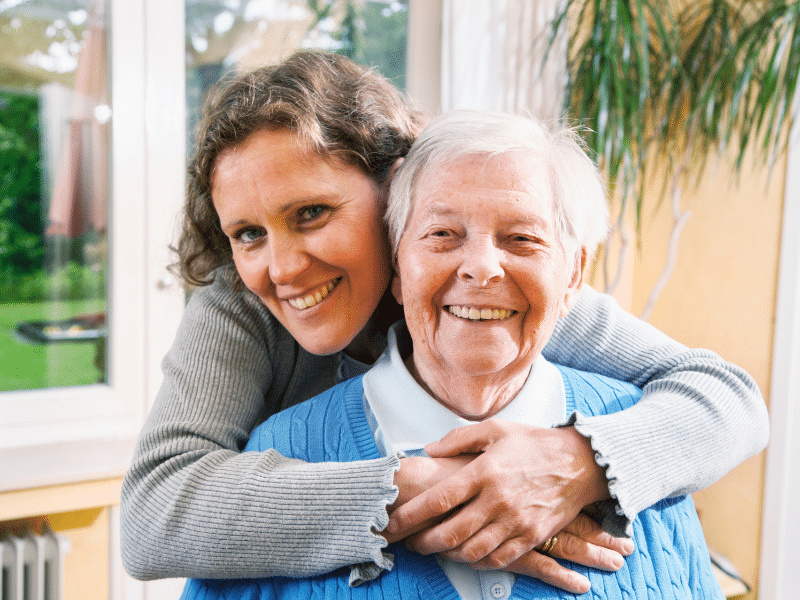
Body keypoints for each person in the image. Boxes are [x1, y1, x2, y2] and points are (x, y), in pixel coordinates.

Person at [120, 51, 767, 594]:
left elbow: (729, 400)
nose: (284, 266)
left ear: (395, 195)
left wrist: (578, 462)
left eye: (313, 213)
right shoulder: (240, 307)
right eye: (247, 233)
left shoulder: (498, 293)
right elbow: (153, 515)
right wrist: (443, 492)